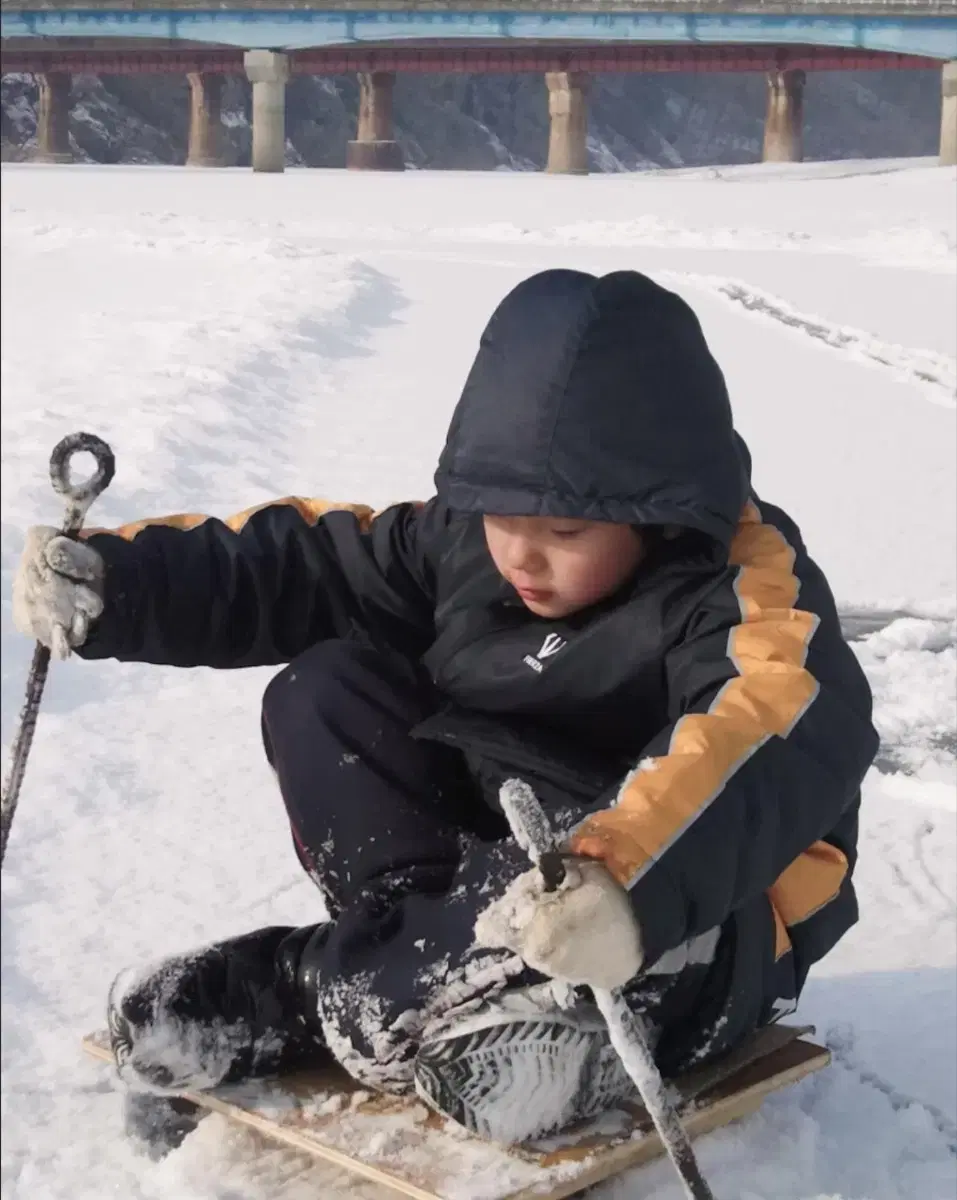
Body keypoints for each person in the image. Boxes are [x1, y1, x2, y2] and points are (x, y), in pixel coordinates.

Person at [13, 269, 878, 1150]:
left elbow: (763, 729)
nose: (522, 557)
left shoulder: (747, 597)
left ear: (656, 509)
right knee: (327, 687)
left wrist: (621, 879)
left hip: (688, 922)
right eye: (501, 518)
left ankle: (316, 988)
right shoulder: (465, 542)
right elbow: (306, 563)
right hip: (499, 882)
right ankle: (431, 971)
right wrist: (123, 587)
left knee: (584, 914)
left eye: (566, 534)